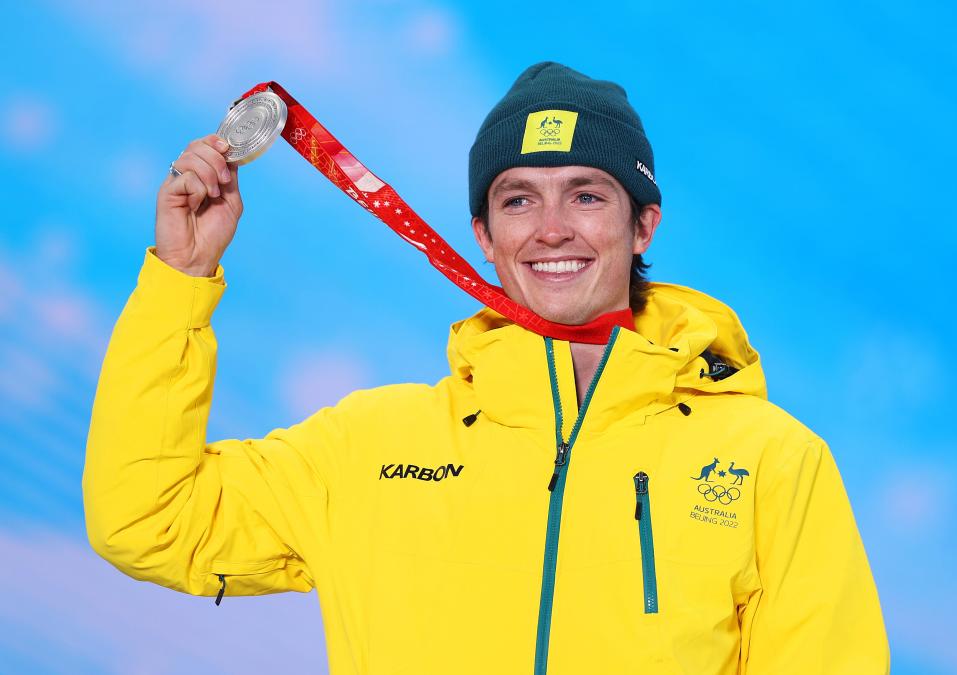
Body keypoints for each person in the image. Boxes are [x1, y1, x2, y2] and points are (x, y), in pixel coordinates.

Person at [83, 62, 890, 674]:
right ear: (483, 234)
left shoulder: (769, 460)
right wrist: (179, 281)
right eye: (517, 199)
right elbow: (147, 518)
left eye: (586, 196)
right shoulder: (368, 446)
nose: (550, 229)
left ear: (642, 225)